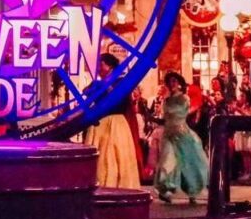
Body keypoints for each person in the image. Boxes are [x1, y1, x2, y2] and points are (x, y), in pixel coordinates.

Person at [83, 53, 140, 189]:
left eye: (101, 65)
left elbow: (120, 98)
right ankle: (101, 184)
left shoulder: (121, 81)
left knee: (114, 155)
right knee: (101, 155)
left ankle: (115, 185)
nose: (98, 68)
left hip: (115, 122)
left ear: (110, 66)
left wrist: (104, 87)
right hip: (100, 123)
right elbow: (86, 92)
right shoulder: (98, 83)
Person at [154, 71, 209, 203]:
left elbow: (180, 113)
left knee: (188, 163)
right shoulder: (166, 100)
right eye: (169, 82)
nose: (171, 84)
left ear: (179, 84)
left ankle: (192, 192)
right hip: (168, 134)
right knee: (167, 161)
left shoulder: (184, 98)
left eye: (174, 81)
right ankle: (166, 190)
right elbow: (165, 117)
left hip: (182, 134)